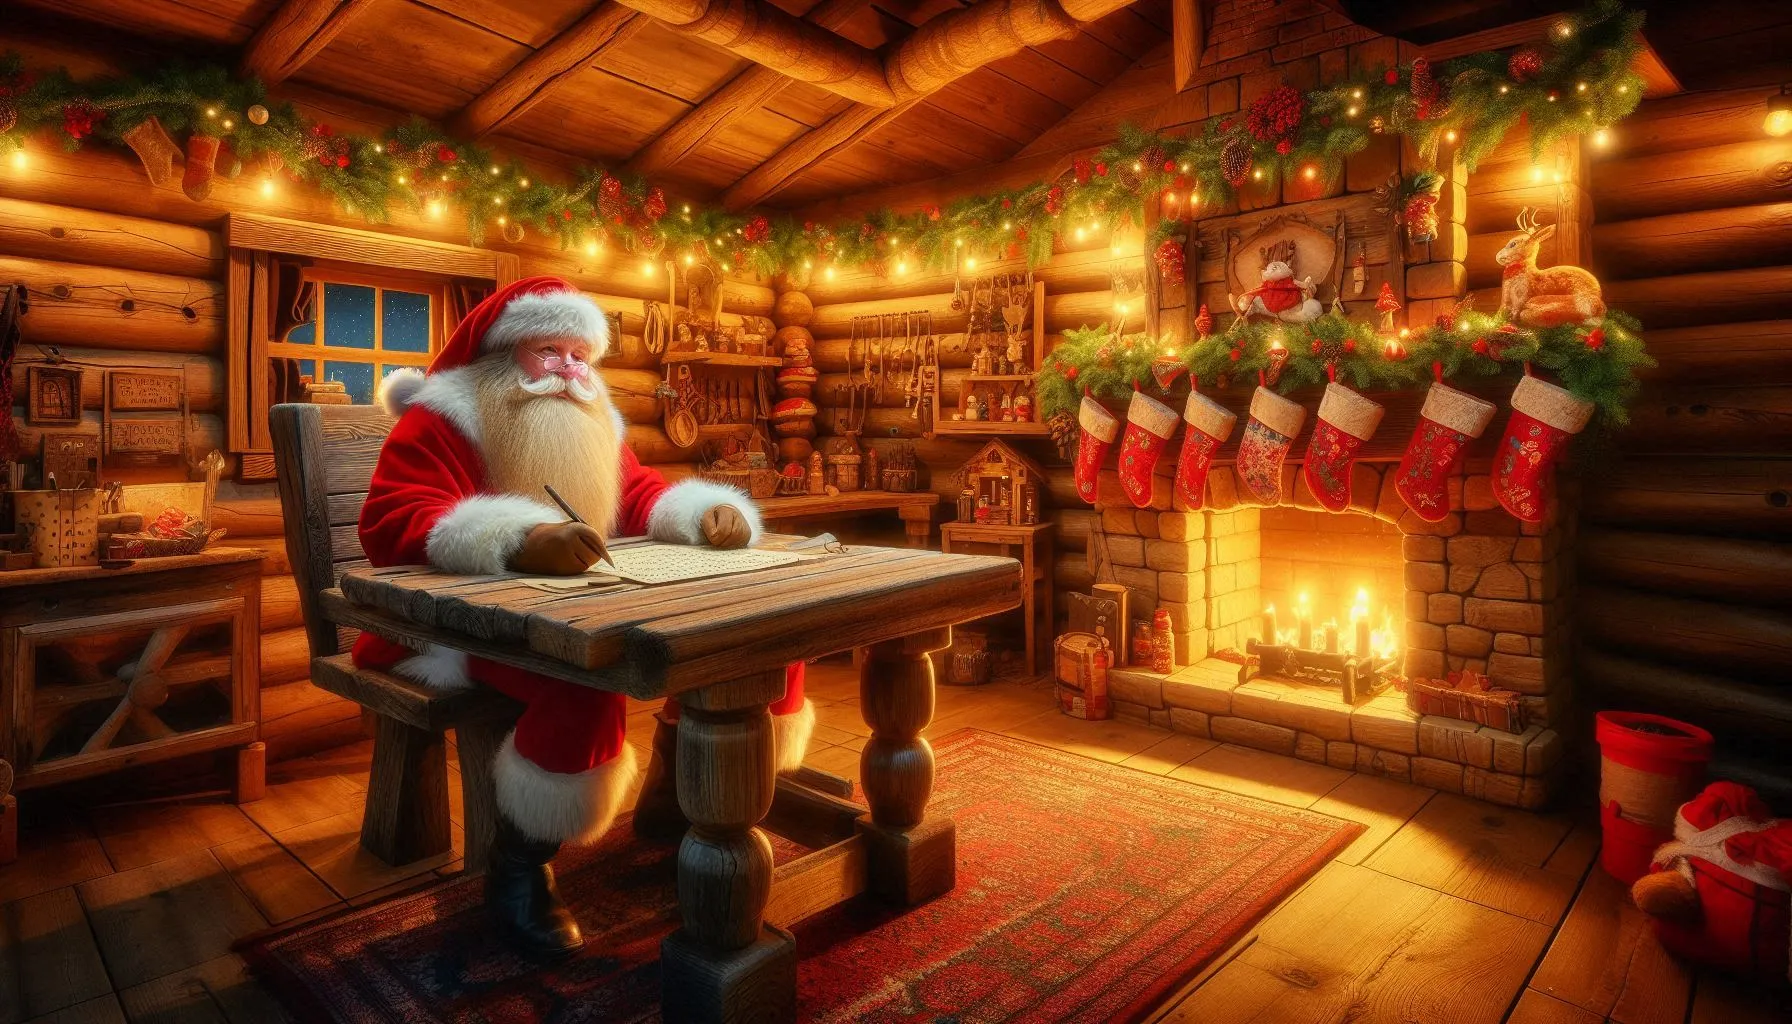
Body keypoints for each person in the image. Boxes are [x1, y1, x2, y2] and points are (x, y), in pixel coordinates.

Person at [354, 276, 814, 959]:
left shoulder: (590, 420)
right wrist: (516, 538)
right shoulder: (445, 417)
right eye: (550, 351)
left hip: (568, 608)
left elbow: (638, 494)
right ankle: (521, 866)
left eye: (580, 353)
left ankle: (680, 795)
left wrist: (699, 516)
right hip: (451, 627)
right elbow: (390, 520)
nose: (570, 371)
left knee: (759, 635)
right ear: (507, 353)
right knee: (583, 674)